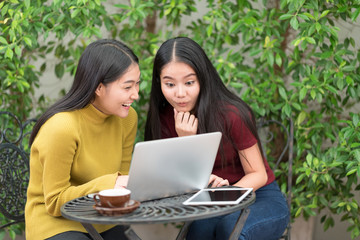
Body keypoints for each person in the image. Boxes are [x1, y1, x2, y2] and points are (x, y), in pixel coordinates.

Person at [144, 36, 289, 240]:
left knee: (230, 230)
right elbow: (172, 182)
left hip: (258, 196)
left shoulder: (230, 114)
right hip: (209, 199)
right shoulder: (163, 117)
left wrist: (225, 192)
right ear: (159, 82)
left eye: (189, 82)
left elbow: (258, 175)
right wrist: (187, 142)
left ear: (202, 78)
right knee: (198, 233)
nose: (180, 93)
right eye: (170, 84)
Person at [25, 39, 140, 240]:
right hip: (55, 224)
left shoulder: (127, 118)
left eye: (137, 84)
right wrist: (108, 183)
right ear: (99, 87)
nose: (136, 94)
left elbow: (123, 180)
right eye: (127, 86)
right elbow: (54, 203)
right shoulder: (62, 127)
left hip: (103, 218)